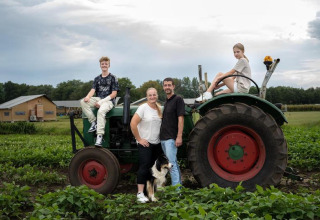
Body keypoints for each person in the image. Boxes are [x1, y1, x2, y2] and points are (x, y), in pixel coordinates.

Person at [130, 88, 163, 203]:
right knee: (144, 167)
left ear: (157, 95)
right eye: (150, 95)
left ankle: (149, 192)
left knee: (152, 169)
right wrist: (139, 139)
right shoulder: (143, 108)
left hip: (156, 143)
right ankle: (140, 193)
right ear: (147, 96)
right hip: (146, 143)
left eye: (154, 94)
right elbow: (133, 123)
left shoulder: (159, 109)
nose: (152, 97)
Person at [80, 56, 119, 146]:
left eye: (106, 63)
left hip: (109, 101)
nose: (104, 65)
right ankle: (93, 122)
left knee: (101, 111)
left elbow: (114, 94)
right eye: (102, 64)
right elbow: (93, 90)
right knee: (83, 102)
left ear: (109, 65)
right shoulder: (97, 78)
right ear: (100, 65)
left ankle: (99, 136)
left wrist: (101, 102)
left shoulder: (113, 78)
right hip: (99, 99)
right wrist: (88, 97)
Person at [160, 78, 184, 187]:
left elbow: (180, 118)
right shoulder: (166, 101)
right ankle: (179, 187)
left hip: (171, 138)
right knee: (173, 162)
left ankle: (176, 192)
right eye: (165, 85)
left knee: (171, 165)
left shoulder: (178, 99)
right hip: (163, 138)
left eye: (169, 85)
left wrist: (179, 136)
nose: (167, 87)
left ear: (173, 86)